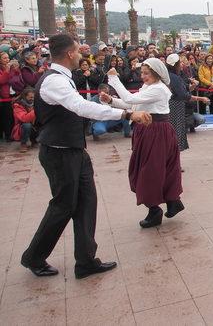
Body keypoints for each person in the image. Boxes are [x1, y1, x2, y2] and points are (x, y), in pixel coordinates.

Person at [21, 34, 151, 279]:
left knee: (86, 203)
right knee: (63, 206)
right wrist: (125, 115)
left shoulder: (62, 78)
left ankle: (86, 260)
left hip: (74, 151)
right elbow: (81, 107)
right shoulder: (53, 81)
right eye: (77, 51)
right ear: (70, 54)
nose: (81, 55)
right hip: (59, 152)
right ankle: (34, 257)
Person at [102, 58, 184, 228]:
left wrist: (114, 79)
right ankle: (172, 201)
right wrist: (111, 101)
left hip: (156, 130)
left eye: (146, 73)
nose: (143, 76)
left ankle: (156, 209)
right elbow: (132, 104)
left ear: (156, 73)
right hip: (148, 130)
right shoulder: (149, 88)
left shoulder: (159, 89)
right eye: (142, 73)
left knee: (150, 170)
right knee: (152, 168)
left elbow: (130, 100)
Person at [166, 53, 210, 152]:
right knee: (175, 135)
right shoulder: (174, 77)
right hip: (175, 108)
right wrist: (201, 98)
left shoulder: (175, 76)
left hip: (176, 107)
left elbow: (186, 89)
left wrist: (193, 85)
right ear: (176, 65)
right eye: (180, 63)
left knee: (175, 134)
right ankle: (173, 164)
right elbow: (183, 95)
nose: (182, 64)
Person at [12, 87, 38, 152]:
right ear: (24, 96)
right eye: (31, 97)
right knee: (27, 125)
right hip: (22, 126)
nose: (33, 99)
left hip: (34, 124)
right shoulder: (17, 105)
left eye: (34, 97)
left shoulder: (36, 103)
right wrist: (35, 110)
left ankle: (35, 141)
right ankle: (23, 143)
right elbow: (24, 118)